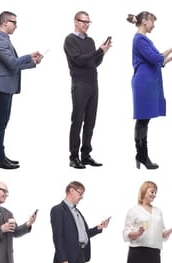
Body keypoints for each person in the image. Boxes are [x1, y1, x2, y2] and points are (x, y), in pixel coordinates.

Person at [127, 11, 172, 170]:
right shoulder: (139, 39)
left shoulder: (145, 40)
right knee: (143, 119)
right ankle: (142, 155)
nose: (154, 25)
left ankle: (141, 155)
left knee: (145, 119)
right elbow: (156, 58)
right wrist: (170, 49)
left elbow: (158, 61)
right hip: (144, 83)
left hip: (149, 83)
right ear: (144, 21)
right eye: (152, 21)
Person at [0, 11, 41, 170]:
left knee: (3, 123)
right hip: (1, 87)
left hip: (7, 87)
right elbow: (12, 63)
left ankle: (0, 157)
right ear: (5, 22)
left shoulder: (5, 40)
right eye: (14, 22)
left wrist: (33, 62)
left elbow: (13, 65)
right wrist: (28, 57)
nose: (16, 26)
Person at [63, 11, 110, 169]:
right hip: (80, 84)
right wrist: (98, 51)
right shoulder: (70, 40)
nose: (86, 24)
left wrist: (102, 52)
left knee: (91, 120)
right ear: (75, 21)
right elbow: (78, 60)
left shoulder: (90, 40)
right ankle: (73, 157)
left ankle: (86, 155)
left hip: (93, 84)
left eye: (88, 22)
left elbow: (93, 62)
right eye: (83, 21)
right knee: (77, 120)